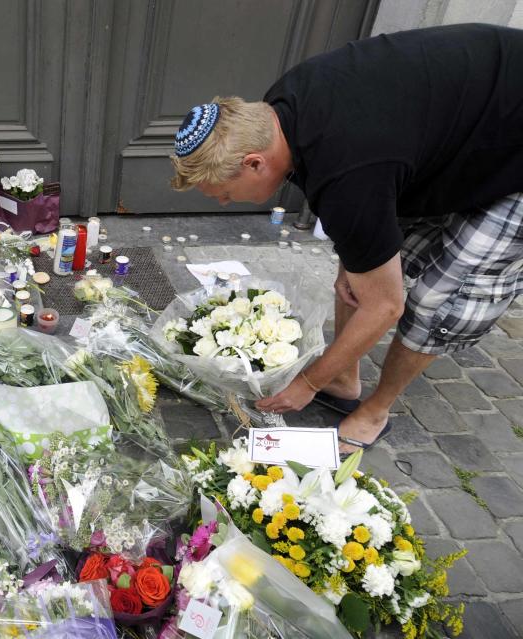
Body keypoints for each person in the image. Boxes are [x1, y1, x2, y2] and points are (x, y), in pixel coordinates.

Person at [170, 23, 523, 454]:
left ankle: (375, 411)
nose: (225, 204)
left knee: (437, 296)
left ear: (255, 163)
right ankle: (343, 378)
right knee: (360, 273)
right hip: (466, 124)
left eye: (224, 194)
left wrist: (306, 382)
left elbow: (387, 305)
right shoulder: (277, 111)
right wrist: (350, 264)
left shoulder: (347, 170)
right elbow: (357, 208)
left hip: (509, 135)